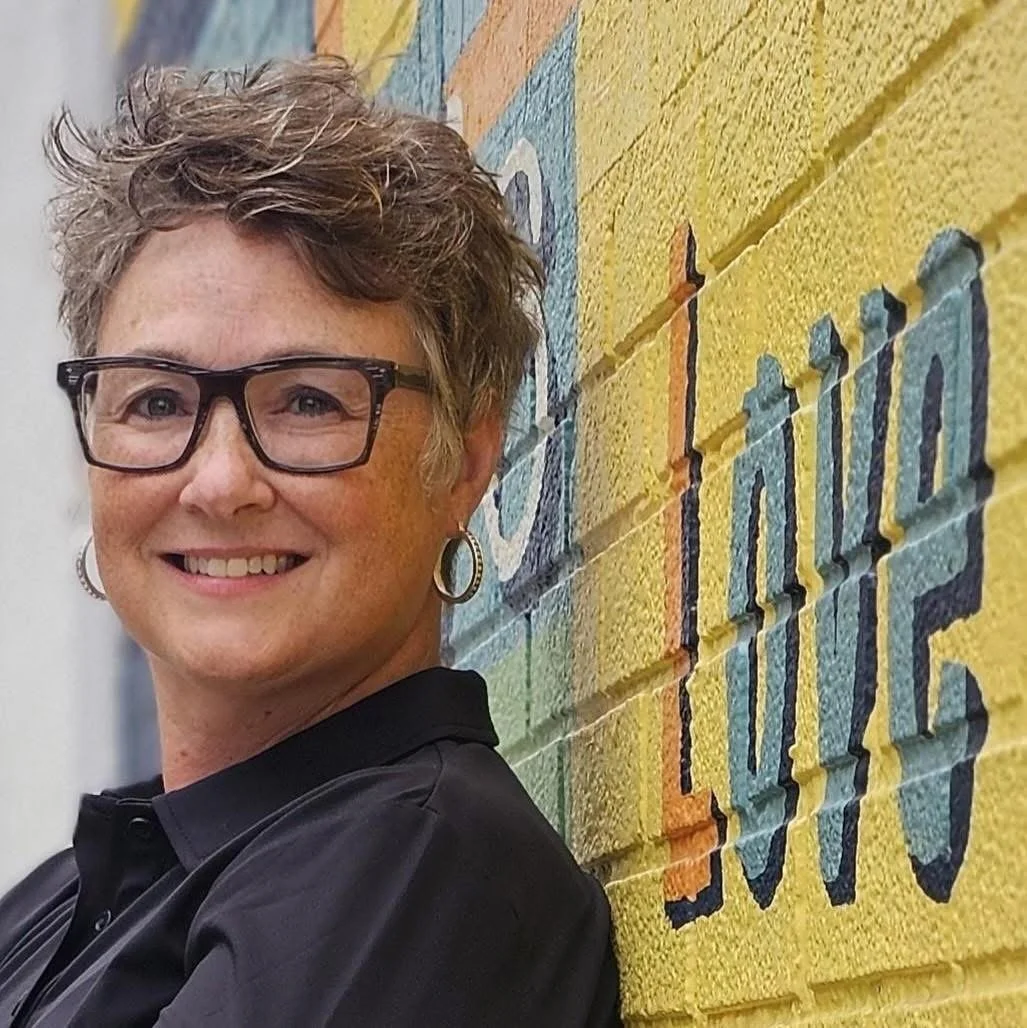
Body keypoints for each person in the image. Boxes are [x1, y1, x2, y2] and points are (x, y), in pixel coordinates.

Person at [0, 58, 621, 1026]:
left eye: (306, 400)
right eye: (155, 400)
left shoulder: (418, 873)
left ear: (464, 460)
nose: (218, 482)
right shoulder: (62, 899)